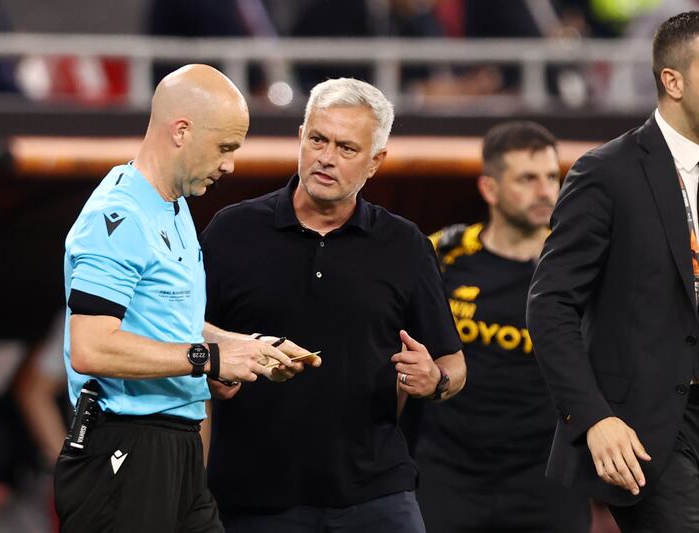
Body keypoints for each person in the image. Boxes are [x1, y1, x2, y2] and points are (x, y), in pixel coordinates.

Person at [201, 77, 466, 533]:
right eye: (318, 139)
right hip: (252, 500)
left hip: (377, 495)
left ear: (375, 162)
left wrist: (434, 380)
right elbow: (186, 335)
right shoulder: (231, 231)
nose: (326, 158)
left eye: (347, 148)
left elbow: (454, 365)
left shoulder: (405, 244)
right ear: (300, 137)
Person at [54, 64, 309, 533]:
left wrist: (244, 348)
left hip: (178, 450)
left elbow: (167, 317)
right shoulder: (118, 216)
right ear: (182, 131)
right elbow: (92, 346)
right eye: (225, 147)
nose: (230, 164)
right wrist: (209, 359)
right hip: (124, 448)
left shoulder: (172, 205)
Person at [527, 11, 699, 532]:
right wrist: (594, 419)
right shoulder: (607, 173)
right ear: (673, 81)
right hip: (657, 431)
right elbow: (550, 304)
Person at [409, 121, 590, 532]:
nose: (545, 191)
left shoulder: (581, 267)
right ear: (489, 188)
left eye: (551, 177)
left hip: (548, 481)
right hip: (447, 475)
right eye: (527, 179)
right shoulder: (441, 256)